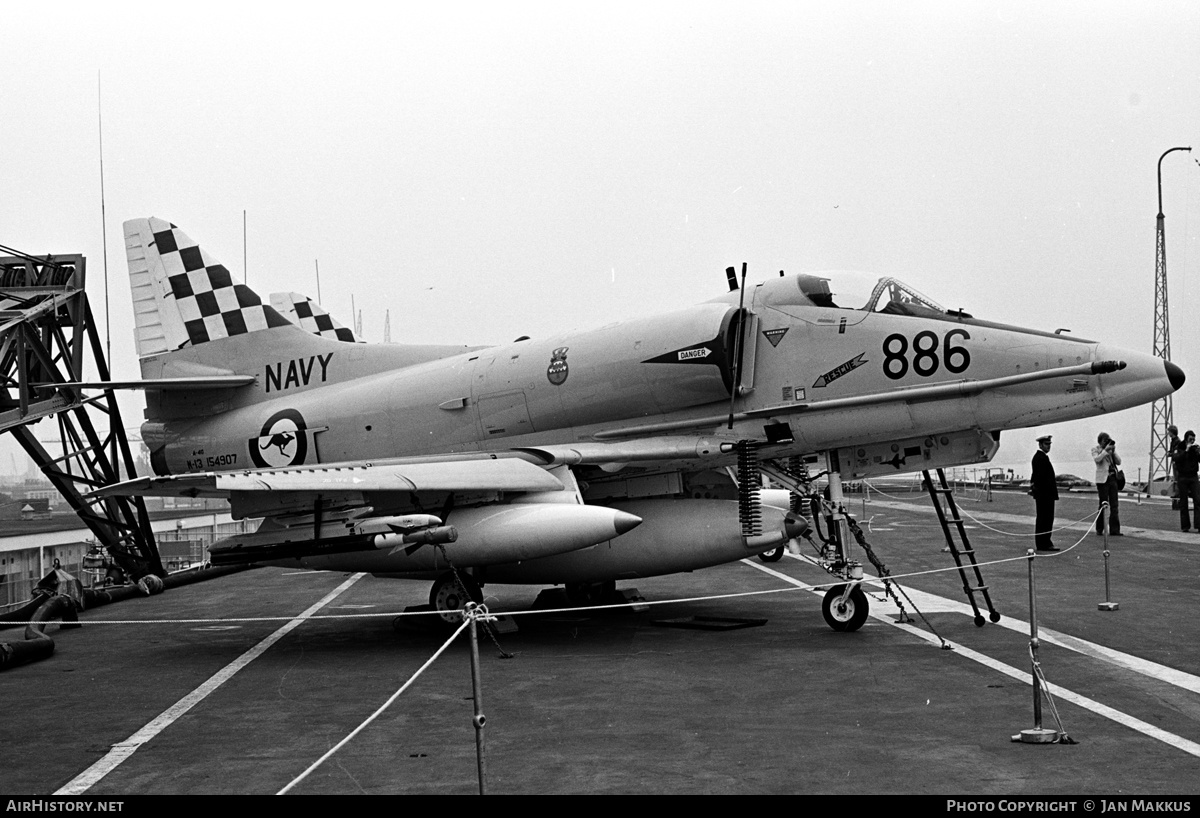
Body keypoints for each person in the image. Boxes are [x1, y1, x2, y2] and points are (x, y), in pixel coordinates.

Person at [1030, 434, 1059, 551]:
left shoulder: (1039, 457)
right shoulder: (1041, 458)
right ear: (1040, 444)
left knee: (1043, 518)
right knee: (1045, 519)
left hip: (1043, 494)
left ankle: (1044, 542)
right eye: (1046, 444)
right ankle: (1044, 543)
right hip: (1045, 495)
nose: (1048, 446)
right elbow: (1040, 478)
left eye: (1049, 444)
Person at [1092, 432, 1122, 536]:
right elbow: (1097, 459)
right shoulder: (1095, 449)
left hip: (1112, 478)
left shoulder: (1110, 451)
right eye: (1105, 441)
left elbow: (1119, 462)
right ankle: (1099, 528)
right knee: (1103, 504)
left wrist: (1113, 452)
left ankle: (1115, 530)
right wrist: (1105, 451)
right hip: (1102, 480)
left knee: (1114, 505)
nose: (1107, 443)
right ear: (1100, 441)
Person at [1175, 430, 1200, 531]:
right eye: (1190, 439)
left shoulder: (1195, 448)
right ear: (1186, 439)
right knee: (1183, 502)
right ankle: (1185, 526)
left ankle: (1198, 525)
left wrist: (1198, 453)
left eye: (1193, 439)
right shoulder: (1180, 447)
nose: (1192, 441)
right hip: (1183, 476)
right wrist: (1186, 450)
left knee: (1198, 501)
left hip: (1193, 476)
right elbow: (1176, 458)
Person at [1168, 425, 1183, 508]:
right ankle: (1177, 493)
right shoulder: (1173, 441)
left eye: (1169, 431)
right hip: (1175, 462)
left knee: (1177, 478)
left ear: (1172, 432)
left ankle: (1178, 494)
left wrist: (1171, 454)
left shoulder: (1177, 441)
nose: (1168, 433)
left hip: (1177, 463)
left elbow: (1177, 452)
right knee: (1176, 478)